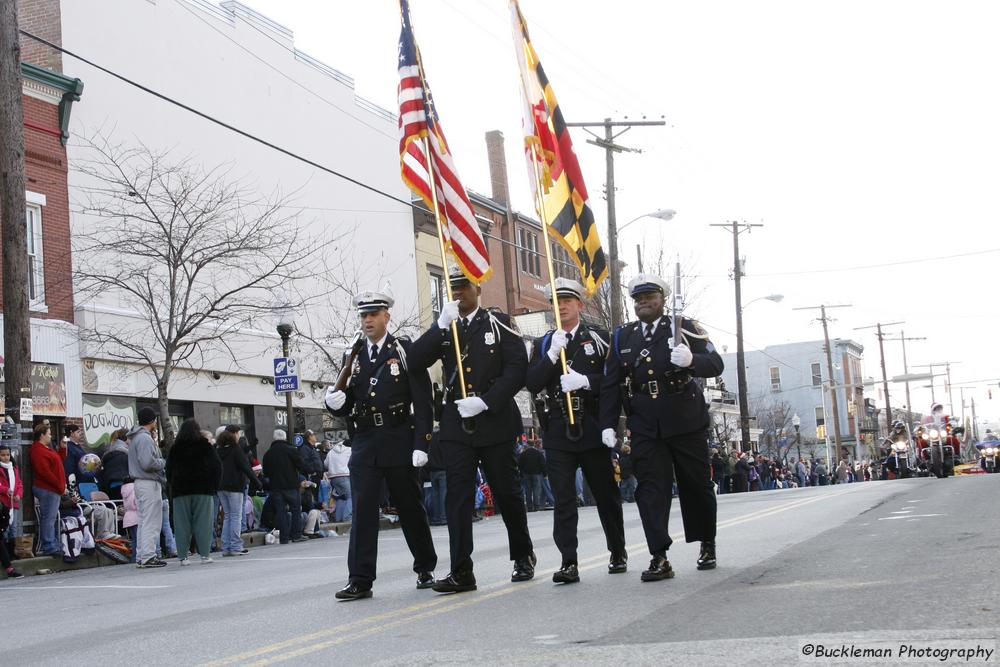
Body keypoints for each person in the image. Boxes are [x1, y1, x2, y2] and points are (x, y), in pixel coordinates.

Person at [408, 267, 535, 593]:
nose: (459, 293)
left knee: (506, 492)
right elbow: (414, 361)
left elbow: (518, 368)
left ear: (477, 287)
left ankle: (522, 555)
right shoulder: (446, 327)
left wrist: (488, 401)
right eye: (453, 288)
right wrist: (438, 327)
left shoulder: (498, 322)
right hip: (456, 423)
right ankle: (461, 570)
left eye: (464, 286)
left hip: (493, 421)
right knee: (457, 499)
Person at [600, 273, 724, 581]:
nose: (644, 303)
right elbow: (611, 383)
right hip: (645, 423)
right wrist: (607, 424)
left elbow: (716, 363)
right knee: (650, 491)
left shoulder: (684, 328)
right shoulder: (622, 337)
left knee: (695, 485)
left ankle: (706, 543)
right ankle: (659, 555)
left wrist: (691, 360)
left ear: (662, 300)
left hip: (685, 417)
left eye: (650, 298)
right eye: (639, 299)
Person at [325, 290, 438, 600]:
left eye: (374, 314)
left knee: (409, 507)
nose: (368, 320)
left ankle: (425, 567)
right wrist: (335, 403)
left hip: (399, 438)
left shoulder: (402, 350)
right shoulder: (354, 353)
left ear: (387, 315)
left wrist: (422, 443)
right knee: (362, 512)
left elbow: (423, 399)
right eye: (363, 315)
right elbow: (347, 400)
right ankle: (360, 578)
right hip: (364, 443)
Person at [526, 277, 626, 583]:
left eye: (567, 301)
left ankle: (617, 551)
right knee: (564, 499)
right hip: (558, 428)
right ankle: (568, 560)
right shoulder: (545, 343)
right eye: (556, 303)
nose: (562, 307)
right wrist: (552, 356)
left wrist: (586, 381)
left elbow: (614, 381)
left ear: (579, 304)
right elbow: (532, 383)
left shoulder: (598, 338)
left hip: (592, 425)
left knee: (605, 494)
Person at [166, 419, 222, 565]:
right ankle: (204, 555)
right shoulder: (205, 446)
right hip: (203, 489)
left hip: (181, 490)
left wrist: (173, 484)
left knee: (182, 524)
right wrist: (214, 485)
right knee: (203, 523)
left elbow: (168, 469)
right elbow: (217, 467)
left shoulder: (175, 448)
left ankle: (183, 557)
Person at [127, 407, 167, 568]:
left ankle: (142, 555)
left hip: (140, 482)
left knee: (144, 520)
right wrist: (163, 462)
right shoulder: (144, 438)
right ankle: (149, 556)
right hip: (148, 482)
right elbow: (147, 462)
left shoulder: (135, 437)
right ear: (152, 421)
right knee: (151, 521)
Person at [217, 430, 262, 556]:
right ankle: (236, 545)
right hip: (235, 486)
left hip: (221, 487)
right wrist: (257, 482)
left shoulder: (218, 451)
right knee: (236, 516)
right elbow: (245, 467)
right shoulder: (235, 450)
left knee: (227, 516)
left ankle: (226, 547)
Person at [261, 430, 308, 544]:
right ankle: (296, 535)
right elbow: (301, 465)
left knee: (280, 512)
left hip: (276, 487)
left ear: (274, 438)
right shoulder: (291, 450)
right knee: (296, 510)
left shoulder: (268, 453)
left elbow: (266, 472)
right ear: (285, 438)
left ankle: (284, 537)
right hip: (291, 485)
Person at [29, 423, 66, 558]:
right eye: (49, 433)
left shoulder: (46, 448)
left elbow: (58, 463)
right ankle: (49, 546)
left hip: (52, 488)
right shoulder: (38, 450)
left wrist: (62, 449)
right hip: (48, 488)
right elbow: (44, 471)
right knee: (48, 518)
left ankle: (52, 543)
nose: (51, 436)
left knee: (51, 518)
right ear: (42, 435)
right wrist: (59, 485)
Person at [0, 443, 24, 552]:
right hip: (3, 503)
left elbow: (19, 484)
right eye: (3, 455)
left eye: (8, 455)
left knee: (13, 528)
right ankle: (5, 554)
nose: (6, 457)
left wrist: (19, 494)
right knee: (4, 528)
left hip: (13, 503)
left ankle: (12, 552)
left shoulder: (14, 468)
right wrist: (5, 490)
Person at [324, 438, 352, 523]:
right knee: (351, 496)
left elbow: (325, 464)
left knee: (341, 498)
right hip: (345, 476)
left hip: (334, 478)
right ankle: (347, 517)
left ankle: (338, 518)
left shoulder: (331, 451)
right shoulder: (350, 450)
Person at [516, 442, 546, 512]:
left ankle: (529, 507)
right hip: (536, 474)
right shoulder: (538, 453)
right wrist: (545, 474)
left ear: (528, 445)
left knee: (528, 490)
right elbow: (542, 464)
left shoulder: (523, 454)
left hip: (526, 474)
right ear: (534, 445)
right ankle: (536, 506)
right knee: (536, 490)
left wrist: (521, 473)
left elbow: (519, 464)